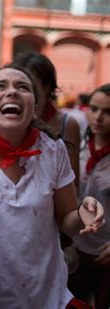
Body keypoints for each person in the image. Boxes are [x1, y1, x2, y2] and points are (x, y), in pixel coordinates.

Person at [0, 64, 104, 308]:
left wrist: (84, 212)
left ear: (34, 110)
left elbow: (67, 220)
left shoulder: (53, 149)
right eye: (0, 86)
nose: (12, 92)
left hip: (46, 296)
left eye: (22, 87)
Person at [13, 52, 81, 191]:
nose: (22, 92)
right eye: (19, 85)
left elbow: (73, 184)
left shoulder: (67, 124)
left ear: (48, 87)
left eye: (30, 86)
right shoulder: (8, 118)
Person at [69, 84, 110, 308]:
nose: (98, 117)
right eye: (93, 109)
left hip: (105, 253)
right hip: (76, 248)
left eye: (108, 112)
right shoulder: (80, 148)